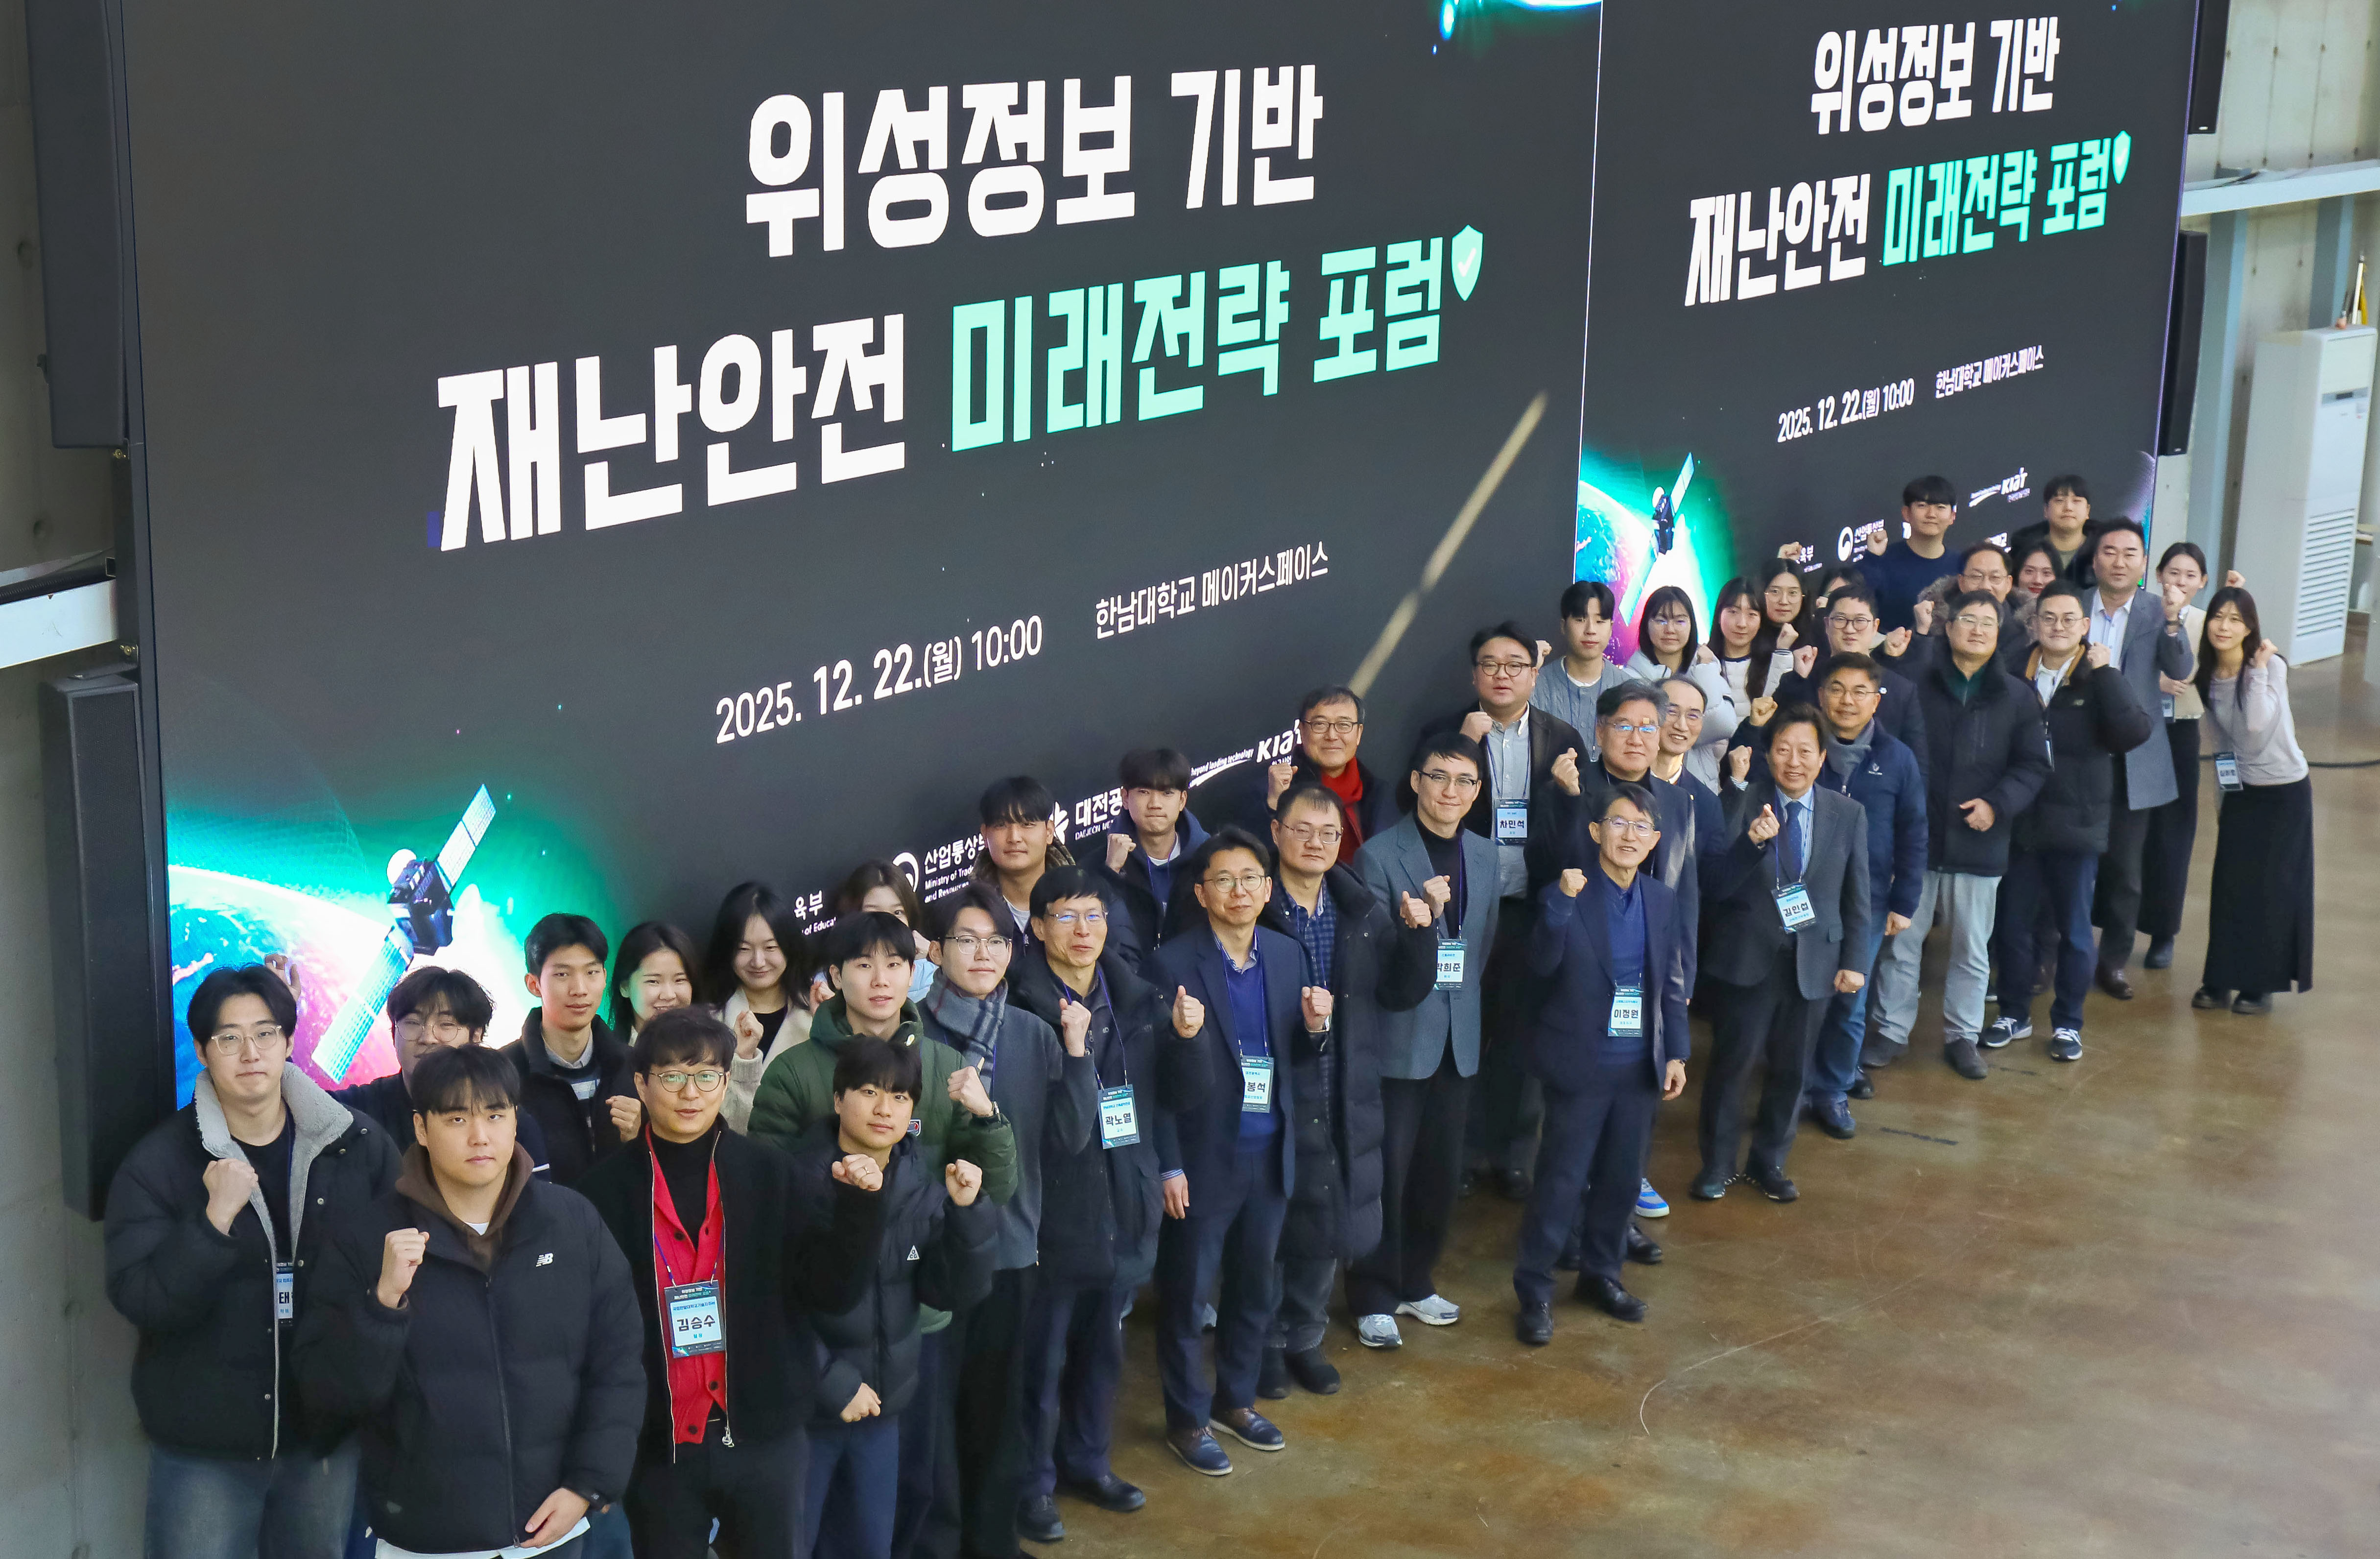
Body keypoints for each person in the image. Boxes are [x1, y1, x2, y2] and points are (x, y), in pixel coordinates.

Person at [294, 1044, 646, 1559]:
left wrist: (588, 1484)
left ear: (515, 1120)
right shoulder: (368, 1239)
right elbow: (329, 1396)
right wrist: (383, 1304)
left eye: (495, 1115)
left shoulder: (573, 1223)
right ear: (421, 1128)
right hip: (426, 1539)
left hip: (557, 1529)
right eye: (457, 1118)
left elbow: (618, 1364)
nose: (480, 1136)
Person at [741, 911, 1018, 1559]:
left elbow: (984, 1206)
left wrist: (982, 1149)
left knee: (896, 1506)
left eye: (895, 964)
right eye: (863, 964)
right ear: (836, 976)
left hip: (905, 1341)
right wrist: (828, 1376)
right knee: (797, 1529)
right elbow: (767, 1244)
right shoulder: (796, 1088)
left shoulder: (941, 1079)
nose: (881, 979)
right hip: (816, 1365)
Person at [106, 965, 398, 1559]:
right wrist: (211, 1223)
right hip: (206, 1449)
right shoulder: (160, 1162)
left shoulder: (356, 1145)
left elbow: (400, 1270)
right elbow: (143, 1300)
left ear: (289, 1042)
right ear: (202, 1051)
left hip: (322, 1438)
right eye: (229, 1038)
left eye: (265, 1034)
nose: (250, 1054)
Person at [576, 1009, 888, 1559]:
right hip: (660, 1442)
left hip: (764, 1434)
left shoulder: (771, 1172)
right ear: (642, 1084)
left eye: (706, 1075)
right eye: (673, 1076)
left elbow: (832, 1293)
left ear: (725, 1082)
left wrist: (859, 1210)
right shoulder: (601, 1193)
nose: (690, 1092)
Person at [1007, 867, 1211, 1542]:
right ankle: (1033, 1485)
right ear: (1038, 928)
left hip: (1124, 1205)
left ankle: (1088, 1462)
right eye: (1066, 917)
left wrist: (1188, 1040)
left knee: (1103, 1353)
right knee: (1041, 1364)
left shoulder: (1137, 996)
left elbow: (1179, 1097)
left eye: (1094, 915)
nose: (1083, 930)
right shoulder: (1021, 1004)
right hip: (1052, 1214)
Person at [914, 883, 1095, 1559]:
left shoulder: (1031, 1032)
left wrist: (1077, 1051)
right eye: (966, 940)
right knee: (935, 1412)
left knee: (997, 1409)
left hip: (1011, 1248)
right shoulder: (911, 1031)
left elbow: (1072, 1136)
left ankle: (991, 1541)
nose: (983, 954)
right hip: (932, 1251)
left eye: (995, 941)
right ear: (936, 952)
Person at [1149, 827, 1331, 1474]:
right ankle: (1187, 1419)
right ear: (1201, 893)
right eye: (1223, 880)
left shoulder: (1286, 953)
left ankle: (1237, 1399)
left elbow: (1300, 1056)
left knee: (1255, 1290)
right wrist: (1169, 1163)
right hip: (1202, 1160)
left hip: (1270, 1150)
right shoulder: (1172, 963)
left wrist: (1318, 1029)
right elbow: (1156, 1079)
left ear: (1267, 887)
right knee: (1186, 1297)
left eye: (1250, 878)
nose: (1239, 891)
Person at [1256, 782, 1437, 1398]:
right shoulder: (1254, 902)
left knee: (1326, 1222)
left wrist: (1419, 936)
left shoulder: (1359, 908)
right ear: (1276, 833)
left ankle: (1304, 1339)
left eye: (1329, 834)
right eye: (1302, 830)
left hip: (1344, 1085)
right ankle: (1262, 1344)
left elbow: (1399, 992)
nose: (1316, 843)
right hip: (1274, 1090)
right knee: (1273, 1225)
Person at [792, 1039, 996, 1559]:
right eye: (869, 1092)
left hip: (882, 1408)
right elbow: (772, 1308)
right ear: (838, 1099)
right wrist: (835, 1383)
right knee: (791, 1544)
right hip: (808, 1411)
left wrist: (968, 1215)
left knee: (869, 1546)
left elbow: (947, 1291)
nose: (885, 1109)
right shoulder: (798, 1181)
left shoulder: (918, 1183)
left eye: (901, 1097)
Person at [1512, 786, 1690, 1341]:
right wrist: (1560, 905)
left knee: (1621, 1181)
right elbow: (1540, 966)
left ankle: (1602, 1275)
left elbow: (1671, 983)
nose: (1629, 836)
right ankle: (1535, 1291)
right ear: (1596, 832)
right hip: (1581, 1066)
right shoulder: (1567, 891)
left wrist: (1677, 1051)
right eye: (1618, 823)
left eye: (1641, 828)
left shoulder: (1661, 899)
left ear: (1655, 841)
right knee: (1560, 1183)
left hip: (1639, 1068)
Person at [1416, 624, 1585, 1203]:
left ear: (1535, 674)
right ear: (1474, 675)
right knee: (1462, 1033)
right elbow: (1420, 812)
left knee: (1520, 1036)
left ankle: (1512, 1156)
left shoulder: (1562, 738)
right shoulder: (1445, 734)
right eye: (1490, 665)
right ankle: (1459, 1153)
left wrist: (1567, 795)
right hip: (1462, 911)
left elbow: (1574, 831)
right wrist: (1464, 747)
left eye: (1515, 665)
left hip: (1527, 909)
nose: (1502, 675)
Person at [1866, 592, 2050, 1081]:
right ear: (1948, 628)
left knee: (1972, 950)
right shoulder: (1914, 686)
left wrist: (1997, 804)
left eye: (1988, 623)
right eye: (1968, 619)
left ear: (1999, 634)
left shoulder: (2017, 696)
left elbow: (2033, 766)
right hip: (1918, 842)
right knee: (1902, 945)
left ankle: (1963, 1036)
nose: (1977, 630)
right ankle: (1891, 1030)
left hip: (1981, 844)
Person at [1349, 734, 1491, 1348]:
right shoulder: (1380, 856)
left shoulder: (1485, 854)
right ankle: (1373, 1294)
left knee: (1439, 1171)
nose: (1450, 792)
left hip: (1459, 1039)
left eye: (1464, 781)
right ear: (1415, 782)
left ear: (1477, 792)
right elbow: (1379, 957)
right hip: (1401, 1037)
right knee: (1388, 1175)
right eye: (1438, 777)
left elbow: (1483, 946)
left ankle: (1416, 1281)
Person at [1693, 708, 1870, 1202]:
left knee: (1794, 1071)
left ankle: (1769, 1161)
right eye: (1784, 749)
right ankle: (1717, 1165)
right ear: (1769, 755)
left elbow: (1858, 894)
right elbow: (1716, 883)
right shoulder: (1742, 801)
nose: (1795, 761)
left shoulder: (1847, 813)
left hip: (1814, 961)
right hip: (1749, 958)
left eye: (1805, 751)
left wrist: (1855, 961)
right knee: (1732, 1066)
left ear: (1822, 757)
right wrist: (1750, 843)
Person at [1985, 583, 2152, 1062]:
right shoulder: (2012, 671)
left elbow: (2134, 731)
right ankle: (2013, 1013)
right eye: (2049, 618)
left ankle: (2068, 1024)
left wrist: (2107, 673)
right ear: (2034, 624)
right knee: (2013, 926)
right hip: (2021, 823)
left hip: (2077, 826)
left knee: (2076, 932)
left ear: (2084, 626)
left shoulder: (2097, 678)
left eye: (2068, 619)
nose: (2058, 627)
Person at [1799, 655, 1925, 1138]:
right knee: (1803, 995)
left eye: (1859, 692)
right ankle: (1797, 1082)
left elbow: (1914, 831)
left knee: (1849, 1000)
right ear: (1821, 696)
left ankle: (1832, 1088)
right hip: (1804, 897)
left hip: (1867, 903)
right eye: (1836, 689)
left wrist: (1904, 902)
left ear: (1876, 701)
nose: (1847, 701)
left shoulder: (1897, 758)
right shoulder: (1805, 749)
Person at [2080, 519, 2196, 998]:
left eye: (2130, 553)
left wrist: (2173, 621)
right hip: (2078, 752)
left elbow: (2181, 667)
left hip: (2137, 757)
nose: (2119, 561)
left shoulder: (2157, 610)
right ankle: (2058, 953)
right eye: (2110, 551)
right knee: (2068, 861)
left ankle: (2113, 962)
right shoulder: (2073, 606)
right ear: (2095, 559)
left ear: (2145, 563)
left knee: (2126, 870)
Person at [2191, 587, 2313, 1013]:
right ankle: (2219, 978)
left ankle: (2260, 986)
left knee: (2271, 890)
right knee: (2230, 886)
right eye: (2218, 617)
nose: (2224, 627)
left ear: (2249, 628)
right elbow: (2223, 744)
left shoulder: (2271, 667)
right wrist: (2222, 799)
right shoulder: (2208, 675)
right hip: (2242, 792)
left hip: (2284, 792)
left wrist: (2257, 670)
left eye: (2235, 620)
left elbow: (2256, 729)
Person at [318, 964, 551, 1171]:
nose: (428, 1038)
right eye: (412, 1023)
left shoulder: (509, 1123)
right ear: (394, 1033)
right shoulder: (357, 1111)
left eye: (446, 1025)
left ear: (476, 1037)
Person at [496, 914, 638, 1187]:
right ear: (534, 985)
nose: (580, 989)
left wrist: (640, 1138)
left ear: (604, 977)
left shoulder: (635, 1066)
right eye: (562, 974)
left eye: (591, 973)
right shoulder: (501, 1074)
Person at [1194, 685, 1402, 858]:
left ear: (1358, 734)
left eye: (1343, 725)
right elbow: (1247, 861)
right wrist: (1274, 807)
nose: (1332, 735)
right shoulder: (1269, 791)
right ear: (1301, 731)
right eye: (1320, 724)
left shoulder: (1379, 795)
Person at [973, 775, 1144, 973]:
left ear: (1049, 832)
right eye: (1001, 825)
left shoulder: (1095, 899)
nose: (1014, 838)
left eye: (1027, 824)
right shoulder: (968, 910)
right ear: (985, 835)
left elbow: (1127, 973)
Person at [2141, 543, 2217, 969]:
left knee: (2173, 833)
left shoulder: (2209, 623)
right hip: (2138, 728)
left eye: (2190, 575)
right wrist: (2154, 682)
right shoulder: (2142, 613)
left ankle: (2163, 931)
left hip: (2181, 732)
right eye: (2173, 572)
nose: (2180, 582)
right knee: (2131, 831)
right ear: (2158, 574)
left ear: (2202, 582)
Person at [1769, 578, 1928, 773]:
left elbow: (1918, 767)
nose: (1850, 629)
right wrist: (1797, 682)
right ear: (1827, 624)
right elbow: (1773, 740)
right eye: (1840, 620)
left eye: (1860, 621)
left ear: (1875, 626)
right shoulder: (1802, 680)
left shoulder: (1902, 690)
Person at [705, 884, 813, 1134]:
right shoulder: (709, 1022)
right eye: (743, 949)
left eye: (771, 947)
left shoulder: (818, 1013)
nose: (758, 961)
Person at [1624, 585, 1740, 787]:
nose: (1670, 629)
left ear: (1691, 625)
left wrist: (1704, 670)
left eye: (1680, 621)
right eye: (1661, 620)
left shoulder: (1708, 669)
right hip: (1644, 785)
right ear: (1646, 625)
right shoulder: (1629, 678)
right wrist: (1694, 726)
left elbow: (1724, 725)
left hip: (1701, 786)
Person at [1097, 747, 1208, 951]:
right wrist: (1111, 873)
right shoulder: (1100, 865)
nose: (1155, 804)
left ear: (1182, 800)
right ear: (1125, 798)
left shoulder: (1210, 857)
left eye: (1167, 793)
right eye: (1144, 792)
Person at [1529, 579, 1635, 742]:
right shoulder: (1537, 684)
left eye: (1600, 622)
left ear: (1611, 628)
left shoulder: (1629, 689)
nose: (1591, 630)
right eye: (1580, 620)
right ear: (1563, 626)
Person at [1859, 475, 1962, 630]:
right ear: (1906, 513)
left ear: (1952, 517)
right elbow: (1856, 602)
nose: (1931, 514)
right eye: (1922, 506)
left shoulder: (1962, 565)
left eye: (1940, 507)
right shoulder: (1881, 561)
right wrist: (1872, 559)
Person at [834, 858, 938, 1003]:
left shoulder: (931, 971)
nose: (887, 923)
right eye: (874, 913)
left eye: (897, 913)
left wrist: (937, 959)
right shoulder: (827, 984)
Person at [1649, 675, 1727, 858]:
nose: (1681, 725)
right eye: (1671, 711)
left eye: (1693, 716)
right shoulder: (1618, 780)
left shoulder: (1707, 804)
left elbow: (1712, 872)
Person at [1709, 576, 1796, 720]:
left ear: (1761, 621)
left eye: (1752, 614)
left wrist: (1783, 654)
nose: (1742, 624)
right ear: (1719, 615)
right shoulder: (1704, 663)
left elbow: (1778, 713)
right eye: (1733, 612)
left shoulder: (1772, 662)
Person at [610, 921, 700, 1041]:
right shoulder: (607, 1051)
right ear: (625, 987)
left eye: (680, 980)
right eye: (653, 981)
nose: (669, 995)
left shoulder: (711, 1049)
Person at [2006, 474, 2100, 586]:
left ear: (2088, 511)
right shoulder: (2022, 550)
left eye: (2076, 501)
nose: (2068, 508)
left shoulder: (2103, 550)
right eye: (2059, 501)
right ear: (2046, 510)